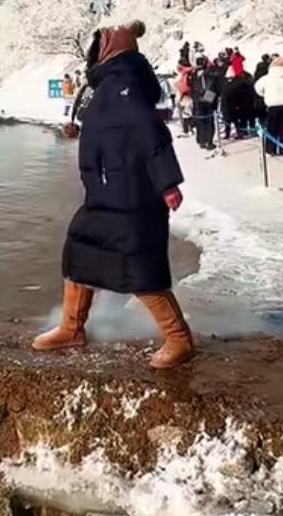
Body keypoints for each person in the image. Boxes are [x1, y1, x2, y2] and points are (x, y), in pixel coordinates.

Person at [32, 25, 194, 368]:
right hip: (105, 191)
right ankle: (72, 328)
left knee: (138, 263)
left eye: (97, 46)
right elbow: (110, 131)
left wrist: (167, 183)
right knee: (80, 250)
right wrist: (78, 131)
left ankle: (179, 339)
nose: (92, 53)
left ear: (108, 49)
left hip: (134, 193)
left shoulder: (124, 83)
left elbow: (150, 132)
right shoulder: (109, 84)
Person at [221, 59, 257, 139]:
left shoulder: (226, 81)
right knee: (238, 119)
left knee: (230, 119)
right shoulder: (244, 78)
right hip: (239, 103)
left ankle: (230, 132)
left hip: (230, 104)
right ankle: (242, 132)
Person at [193, 56, 220, 152]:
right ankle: (209, 142)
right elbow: (217, 88)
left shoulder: (193, 75)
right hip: (209, 98)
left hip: (198, 100)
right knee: (209, 121)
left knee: (201, 121)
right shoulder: (212, 75)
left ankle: (202, 141)